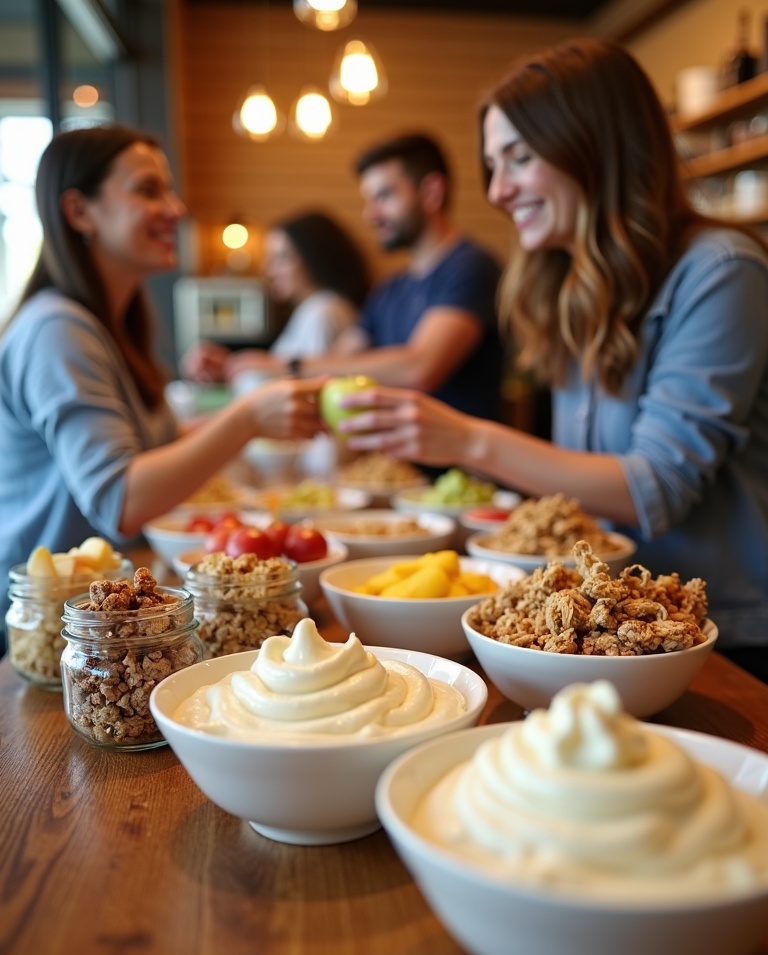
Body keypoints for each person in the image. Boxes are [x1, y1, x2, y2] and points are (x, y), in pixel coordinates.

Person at [334, 39, 768, 678]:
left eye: (519, 158)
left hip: (716, 640)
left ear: (596, 149)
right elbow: (576, 493)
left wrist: (467, 440)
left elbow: (654, 491)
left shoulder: (722, 272)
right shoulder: (570, 286)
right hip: (603, 630)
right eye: (492, 165)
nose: (500, 190)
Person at [0, 125, 321, 646]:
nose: (175, 208)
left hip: (110, 611)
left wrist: (270, 412)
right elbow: (118, 499)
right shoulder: (57, 329)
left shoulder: (111, 321)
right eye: (149, 190)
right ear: (80, 212)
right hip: (56, 631)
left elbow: (164, 443)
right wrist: (247, 418)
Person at [211, 134, 505, 421]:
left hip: (460, 468)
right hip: (396, 464)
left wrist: (286, 365)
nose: (370, 214)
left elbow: (420, 368)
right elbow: (340, 361)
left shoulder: (471, 267)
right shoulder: (391, 288)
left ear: (432, 192)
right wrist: (237, 367)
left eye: (384, 196)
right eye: (368, 200)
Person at [183, 211, 370, 383]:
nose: (268, 269)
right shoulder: (313, 309)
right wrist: (230, 366)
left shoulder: (324, 311)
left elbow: (308, 388)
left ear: (316, 257)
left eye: (281, 257)